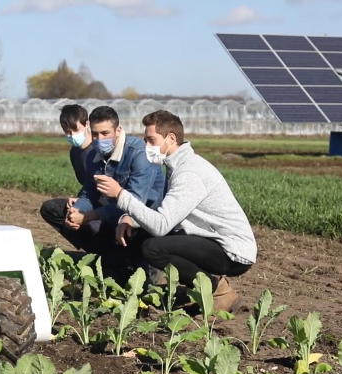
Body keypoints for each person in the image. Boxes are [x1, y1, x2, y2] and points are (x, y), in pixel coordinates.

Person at [94, 110, 257, 312]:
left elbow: (161, 225)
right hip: (210, 238)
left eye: (151, 140)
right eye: (145, 140)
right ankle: (137, 281)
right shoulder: (176, 166)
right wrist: (129, 219)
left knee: (153, 248)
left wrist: (120, 195)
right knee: (138, 233)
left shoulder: (189, 172)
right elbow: (163, 211)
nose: (147, 146)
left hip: (231, 250)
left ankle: (217, 291)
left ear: (171, 138)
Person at [42, 105, 165, 276]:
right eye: (95, 134)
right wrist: (78, 211)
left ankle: (145, 265)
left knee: (129, 225)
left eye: (105, 133)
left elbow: (136, 203)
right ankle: (111, 258)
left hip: (144, 219)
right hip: (113, 213)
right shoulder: (95, 155)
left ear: (118, 130)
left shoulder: (138, 153)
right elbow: (89, 193)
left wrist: (89, 216)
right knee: (57, 211)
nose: (99, 139)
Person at [39, 104, 95, 232]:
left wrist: (83, 203)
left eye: (76, 130)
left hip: (104, 202)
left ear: (87, 124)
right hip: (87, 198)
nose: (72, 135)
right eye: (68, 132)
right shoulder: (74, 152)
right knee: (50, 209)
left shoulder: (98, 150)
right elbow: (86, 184)